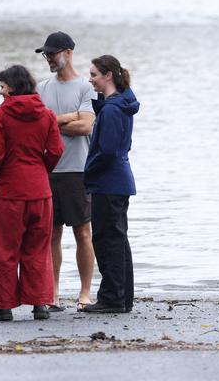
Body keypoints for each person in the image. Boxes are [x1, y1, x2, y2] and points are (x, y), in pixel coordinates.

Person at [0, 65, 64, 321]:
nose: (1, 91)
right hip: (39, 189)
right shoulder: (47, 115)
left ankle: (4, 307)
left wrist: (0, 172)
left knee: (4, 248)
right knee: (38, 248)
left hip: (10, 190)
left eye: (3, 86)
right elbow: (56, 150)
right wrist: (41, 169)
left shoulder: (0, 115)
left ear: (13, 87)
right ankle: (39, 303)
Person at [35, 31, 96, 311]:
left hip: (77, 169)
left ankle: (85, 292)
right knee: (51, 234)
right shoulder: (42, 88)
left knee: (83, 232)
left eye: (53, 53)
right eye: (46, 54)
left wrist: (52, 123)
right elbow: (36, 127)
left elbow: (86, 126)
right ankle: (53, 292)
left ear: (69, 52)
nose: (49, 58)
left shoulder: (86, 87)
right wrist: (64, 119)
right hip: (47, 169)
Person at [81, 55, 139, 314]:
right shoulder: (116, 104)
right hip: (115, 181)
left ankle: (113, 297)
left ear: (107, 75)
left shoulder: (114, 109)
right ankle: (121, 297)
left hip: (109, 182)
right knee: (116, 238)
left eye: (94, 74)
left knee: (107, 240)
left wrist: (88, 171)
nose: (90, 79)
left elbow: (109, 150)